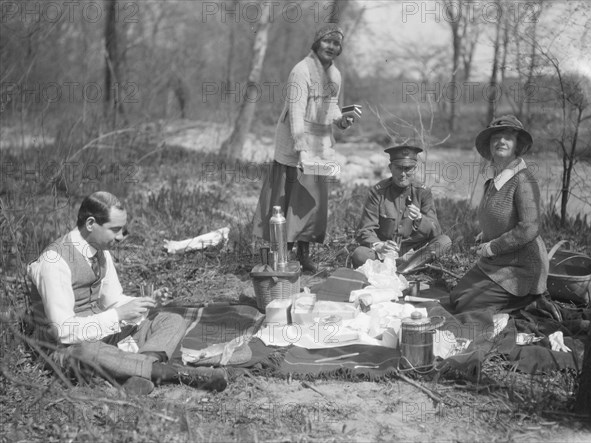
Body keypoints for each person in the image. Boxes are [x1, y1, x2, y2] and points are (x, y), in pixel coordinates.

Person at [27, 191, 227, 395]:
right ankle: (172, 373)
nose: (121, 237)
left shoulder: (100, 250)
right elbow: (64, 331)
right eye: (115, 230)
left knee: (171, 320)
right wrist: (119, 315)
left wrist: (144, 302)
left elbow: (114, 300)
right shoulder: (54, 261)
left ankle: (136, 374)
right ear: (90, 224)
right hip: (64, 349)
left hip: (101, 336)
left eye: (123, 230)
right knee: (86, 351)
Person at [252, 24, 360, 272]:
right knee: (289, 198)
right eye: (327, 42)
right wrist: (301, 148)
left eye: (336, 44)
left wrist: (342, 120)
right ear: (317, 43)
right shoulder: (300, 71)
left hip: (320, 144)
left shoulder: (335, 76)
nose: (331, 47)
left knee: (311, 202)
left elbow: (332, 107)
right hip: (295, 142)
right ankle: (282, 254)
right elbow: (296, 111)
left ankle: (304, 253)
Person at [449, 115, 549, 313]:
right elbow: (497, 217)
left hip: (520, 268)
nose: (501, 141)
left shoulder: (523, 180)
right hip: (495, 262)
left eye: (507, 138)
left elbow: (530, 227)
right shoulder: (492, 182)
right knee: (455, 297)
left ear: (517, 146)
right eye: (496, 137)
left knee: (466, 305)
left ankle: (530, 302)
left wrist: (493, 246)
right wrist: (484, 234)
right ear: (490, 145)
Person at [351, 145, 452, 271]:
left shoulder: (423, 192)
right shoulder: (378, 192)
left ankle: (402, 269)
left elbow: (436, 231)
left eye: (408, 168)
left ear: (415, 169)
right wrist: (379, 246)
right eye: (398, 168)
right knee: (360, 254)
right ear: (390, 168)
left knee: (444, 241)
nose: (403, 174)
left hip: (414, 252)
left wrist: (420, 219)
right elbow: (365, 230)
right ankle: (407, 269)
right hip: (385, 253)